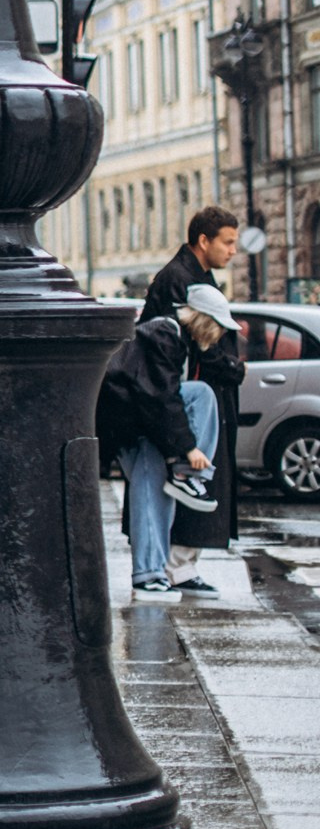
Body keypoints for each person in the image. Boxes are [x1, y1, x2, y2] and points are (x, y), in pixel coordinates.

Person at [99, 284, 234, 596]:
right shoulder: (166, 334)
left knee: (155, 494)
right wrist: (187, 449)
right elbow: (160, 397)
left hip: (132, 422)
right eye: (218, 328)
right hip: (133, 425)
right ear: (205, 321)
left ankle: (151, 572)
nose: (219, 337)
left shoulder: (168, 335)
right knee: (152, 494)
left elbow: (160, 397)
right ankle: (148, 574)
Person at [140, 207, 243, 593]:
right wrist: (233, 367)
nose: (234, 250)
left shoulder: (190, 275)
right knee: (187, 480)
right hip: (191, 394)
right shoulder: (179, 279)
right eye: (227, 242)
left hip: (196, 393)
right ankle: (172, 568)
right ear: (204, 241)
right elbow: (194, 346)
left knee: (190, 481)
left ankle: (174, 566)